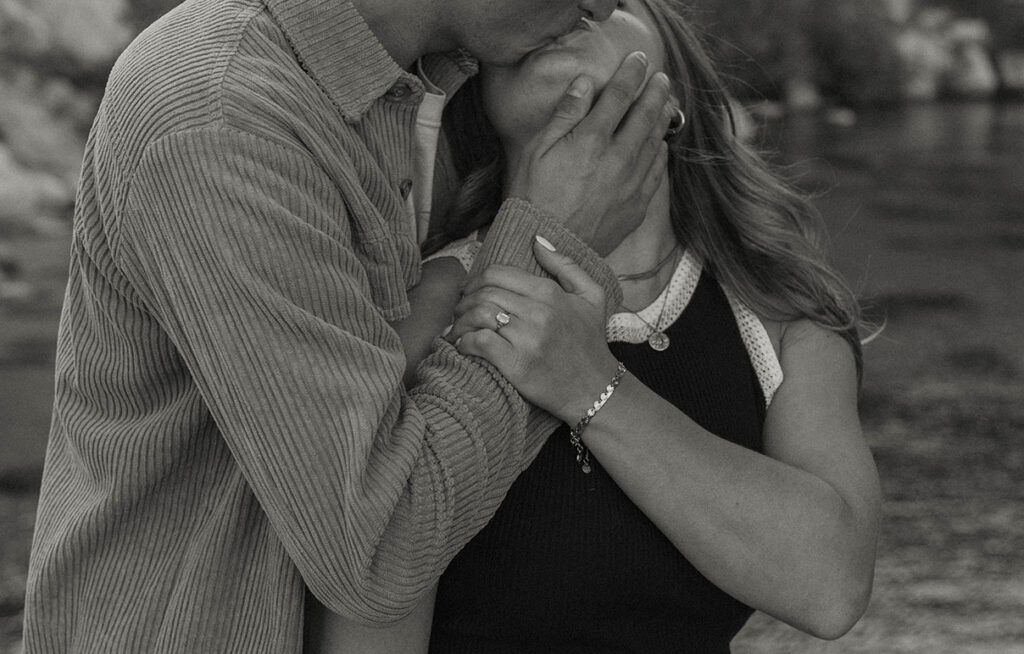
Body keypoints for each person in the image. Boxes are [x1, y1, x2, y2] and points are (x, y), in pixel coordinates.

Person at [21, 0, 680, 650]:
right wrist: (551, 241)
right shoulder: (222, 112)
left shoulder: (407, 97)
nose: (601, 5)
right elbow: (378, 551)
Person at [310, 0, 882, 651]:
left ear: (677, 89)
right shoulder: (424, 308)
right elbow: (372, 582)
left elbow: (831, 587)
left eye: (615, 3)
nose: (570, 10)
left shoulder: (777, 318)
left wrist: (589, 384)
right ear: (478, 102)